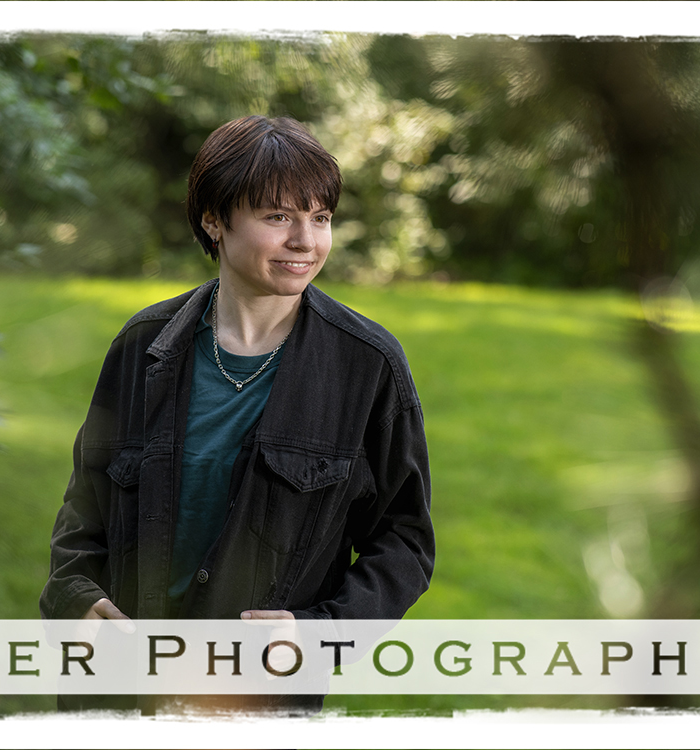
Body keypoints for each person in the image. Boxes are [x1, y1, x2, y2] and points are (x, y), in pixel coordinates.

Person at [40, 115, 435, 713]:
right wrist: (75, 594)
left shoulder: (368, 367)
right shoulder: (140, 347)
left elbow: (404, 539)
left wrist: (318, 633)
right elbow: (86, 499)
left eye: (320, 218)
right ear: (214, 219)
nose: (306, 241)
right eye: (279, 217)